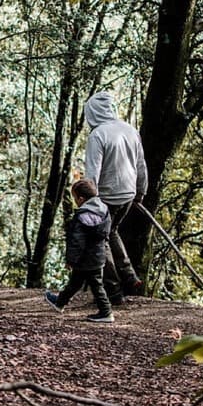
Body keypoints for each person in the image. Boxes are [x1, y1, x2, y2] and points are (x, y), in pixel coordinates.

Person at [83, 91, 147, 304]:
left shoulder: (98, 135)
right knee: (112, 232)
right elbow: (140, 164)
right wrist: (141, 191)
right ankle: (130, 276)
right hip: (128, 195)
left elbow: (92, 172)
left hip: (106, 197)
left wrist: (89, 202)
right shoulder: (129, 130)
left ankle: (113, 292)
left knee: (99, 241)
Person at [44, 179, 114, 323]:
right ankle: (60, 302)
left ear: (81, 199)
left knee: (96, 285)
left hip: (86, 258)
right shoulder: (104, 210)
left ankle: (106, 312)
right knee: (75, 282)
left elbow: (77, 241)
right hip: (99, 255)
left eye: (75, 198)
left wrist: (71, 260)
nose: (75, 201)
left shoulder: (83, 216)